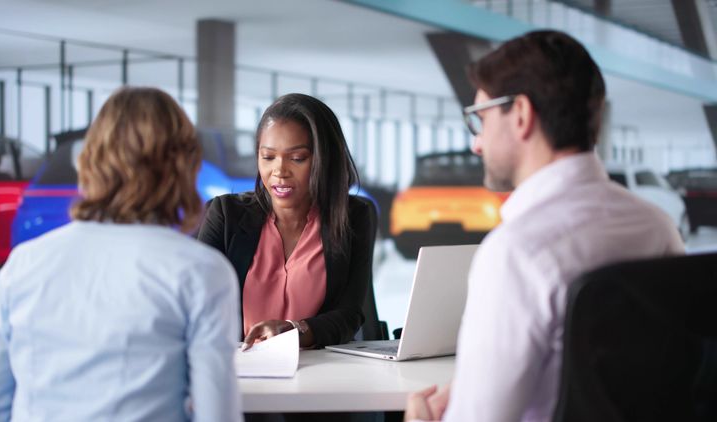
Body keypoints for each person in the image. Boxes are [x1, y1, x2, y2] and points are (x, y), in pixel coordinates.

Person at [405, 30, 685, 422]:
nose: (476, 144)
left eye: (480, 119)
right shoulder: (658, 228)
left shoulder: (516, 253)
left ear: (520, 115)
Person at [0, 87, 242, 422]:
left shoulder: (24, 262)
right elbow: (217, 416)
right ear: (185, 165)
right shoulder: (201, 271)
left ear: (89, 159)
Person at [197, 93, 377, 350]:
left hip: (319, 370)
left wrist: (295, 331)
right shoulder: (225, 214)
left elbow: (350, 314)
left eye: (297, 158)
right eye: (268, 157)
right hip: (239, 368)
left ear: (324, 160)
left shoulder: (354, 217)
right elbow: (197, 304)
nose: (279, 171)